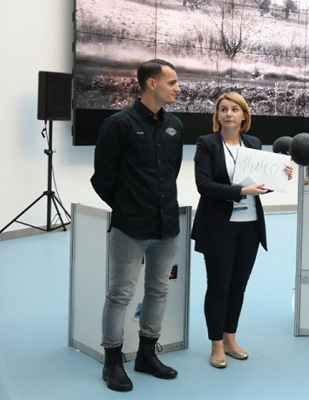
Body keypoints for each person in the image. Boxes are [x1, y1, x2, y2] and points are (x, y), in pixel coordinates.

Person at [90, 59, 183, 392]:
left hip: (166, 226)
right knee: (120, 294)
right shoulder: (118, 124)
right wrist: (129, 208)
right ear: (151, 84)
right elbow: (102, 179)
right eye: (172, 82)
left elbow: (171, 172)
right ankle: (112, 361)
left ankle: (146, 354)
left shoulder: (175, 125)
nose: (177, 88)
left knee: (158, 290)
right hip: (130, 227)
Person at [191, 92, 293, 369]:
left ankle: (230, 338)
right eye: (223, 109)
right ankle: (216, 344)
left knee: (238, 286)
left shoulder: (253, 143)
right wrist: (240, 191)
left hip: (250, 227)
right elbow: (204, 185)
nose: (228, 114)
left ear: (244, 116)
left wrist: (280, 178)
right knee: (218, 286)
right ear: (217, 115)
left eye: (234, 109)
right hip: (218, 228)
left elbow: (260, 187)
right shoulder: (207, 143)